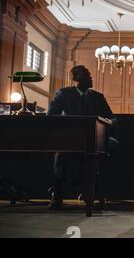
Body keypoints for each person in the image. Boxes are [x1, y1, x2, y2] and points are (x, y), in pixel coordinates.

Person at [47, 65, 115, 210]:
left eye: (89, 75)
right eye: (86, 75)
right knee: (61, 152)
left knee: (110, 146)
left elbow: (112, 118)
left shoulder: (98, 97)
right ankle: (57, 196)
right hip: (70, 138)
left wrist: (105, 124)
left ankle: (97, 194)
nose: (90, 78)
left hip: (95, 138)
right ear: (76, 79)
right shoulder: (64, 94)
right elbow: (52, 116)